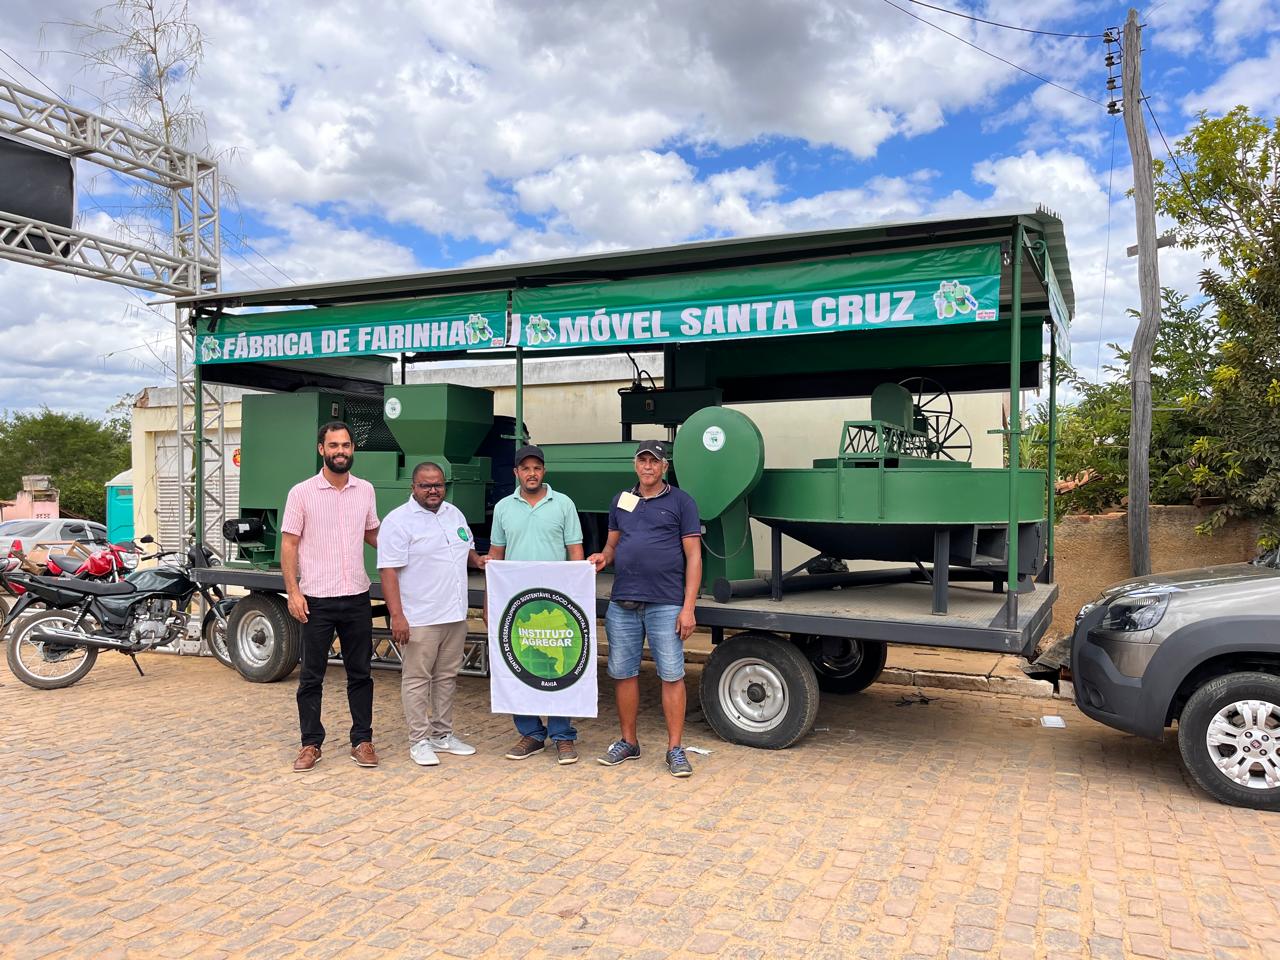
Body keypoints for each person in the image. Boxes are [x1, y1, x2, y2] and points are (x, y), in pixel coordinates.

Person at [588, 439, 701, 778]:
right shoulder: (622, 500)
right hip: (623, 601)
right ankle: (628, 742)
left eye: (654, 461)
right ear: (635, 465)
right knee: (623, 673)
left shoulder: (681, 502)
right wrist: (603, 556)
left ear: (665, 466)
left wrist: (688, 608)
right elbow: (613, 544)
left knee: (672, 675)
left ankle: (675, 749)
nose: (648, 466)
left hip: (665, 603)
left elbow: (694, 556)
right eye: (642, 461)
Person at [282, 421, 381, 772]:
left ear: (353, 449)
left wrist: (410, 549)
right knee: (312, 676)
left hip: (356, 596)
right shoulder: (301, 493)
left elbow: (373, 533)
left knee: (361, 674)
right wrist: (293, 592)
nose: (341, 451)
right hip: (316, 600)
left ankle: (362, 741)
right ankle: (310, 744)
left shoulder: (365, 490)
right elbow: (289, 543)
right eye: (334, 445)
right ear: (321, 449)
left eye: (346, 445)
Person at [378, 462, 488, 767]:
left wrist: (478, 561)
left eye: (438, 484)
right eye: (425, 485)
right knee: (417, 679)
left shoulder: (455, 514)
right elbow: (388, 571)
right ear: (413, 487)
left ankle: (442, 735)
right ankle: (419, 740)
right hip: (420, 617)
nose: (433, 490)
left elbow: (464, 549)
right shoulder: (398, 521)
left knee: (447, 677)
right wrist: (397, 616)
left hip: (454, 613)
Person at [488, 444, 585, 765]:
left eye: (537, 468)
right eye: (525, 468)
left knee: (561, 665)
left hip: (555, 603)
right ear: (516, 472)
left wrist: (577, 598)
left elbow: (575, 552)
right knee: (519, 662)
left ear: (544, 471)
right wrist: (490, 601)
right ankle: (530, 732)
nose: (532, 474)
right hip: (517, 603)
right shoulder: (503, 508)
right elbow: (496, 556)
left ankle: (562, 735)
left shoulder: (564, 504)